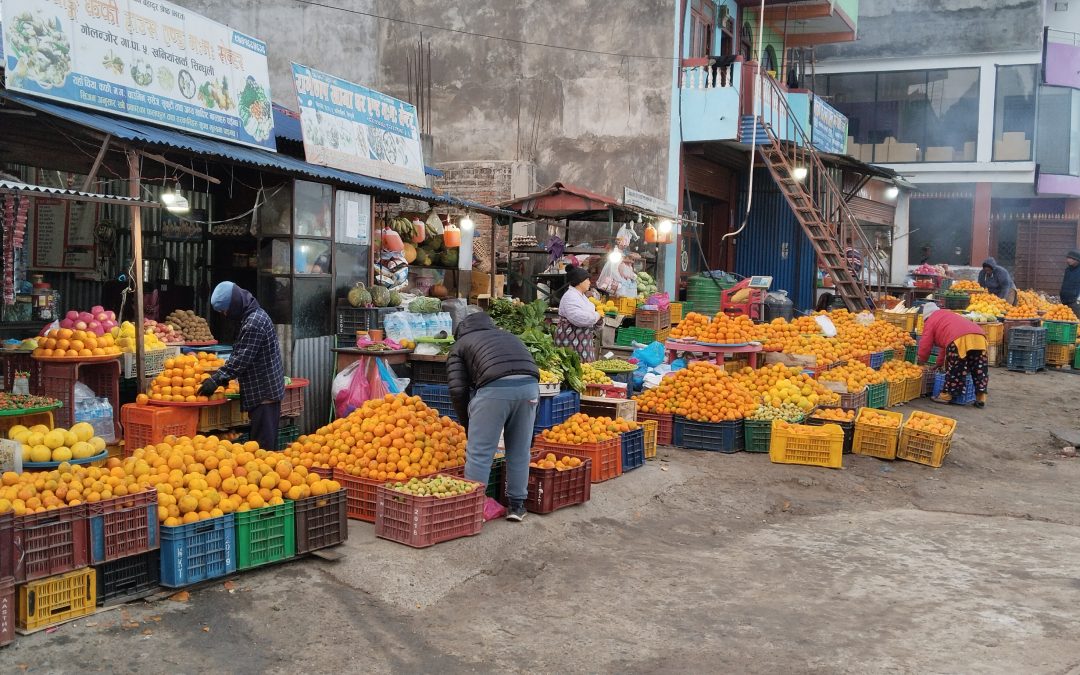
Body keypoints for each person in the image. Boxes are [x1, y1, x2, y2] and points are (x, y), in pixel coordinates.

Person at [447, 309, 540, 522]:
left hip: (494, 390)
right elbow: (529, 369)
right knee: (519, 450)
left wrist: (468, 425)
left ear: (460, 330)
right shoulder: (508, 336)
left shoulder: (460, 345)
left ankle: (472, 510)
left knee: (480, 452)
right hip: (530, 388)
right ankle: (517, 506)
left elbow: (458, 390)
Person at [198, 282, 285, 448]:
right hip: (262, 392)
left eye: (225, 311)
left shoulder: (254, 322)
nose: (225, 315)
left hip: (263, 394)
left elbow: (241, 359)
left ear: (235, 305)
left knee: (262, 451)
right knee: (261, 447)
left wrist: (216, 379)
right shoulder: (252, 315)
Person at [918, 303, 989, 408]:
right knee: (979, 368)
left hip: (959, 338)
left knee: (955, 368)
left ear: (926, 317)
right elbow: (944, 346)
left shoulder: (930, 321)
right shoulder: (947, 315)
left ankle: (946, 395)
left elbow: (925, 343)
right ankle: (981, 397)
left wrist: (921, 360)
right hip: (979, 337)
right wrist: (938, 364)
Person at [555, 265, 601, 362]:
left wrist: (598, 318)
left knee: (586, 372)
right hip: (571, 340)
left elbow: (591, 313)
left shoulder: (581, 296)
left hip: (583, 342)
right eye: (587, 280)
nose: (589, 282)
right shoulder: (570, 297)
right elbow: (579, 318)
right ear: (580, 281)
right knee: (572, 368)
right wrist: (597, 315)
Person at [1061, 249, 1080, 319]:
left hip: (1076, 302)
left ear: (1076, 260)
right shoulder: (1067, 270)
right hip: (1065, 301)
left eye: (1070, 258)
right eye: (1067, 258)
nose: (1067, 260)